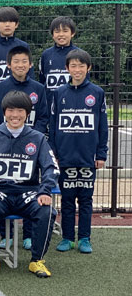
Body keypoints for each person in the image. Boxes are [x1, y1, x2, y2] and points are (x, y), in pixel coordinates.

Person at [0, 90, 58, 278]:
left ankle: (37, 260)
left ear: (27, 113)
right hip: (0, 193)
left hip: (28, 193)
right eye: (11, 110)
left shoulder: (37, 138)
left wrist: (45, 191)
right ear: (4, 112)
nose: (15, 115)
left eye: (20, 110)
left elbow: (51, 168)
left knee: (46, 210)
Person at [49, 48, 108, 254]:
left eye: (81, 66)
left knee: (85, 200)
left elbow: (102, 127)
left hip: (87, 158)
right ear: (67, 68)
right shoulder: (59, 93)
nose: (77, 69)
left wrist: (101, 154)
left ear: (88, 68)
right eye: (73, 66)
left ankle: (84, 238)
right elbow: (53, 126)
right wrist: (54, 153)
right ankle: (67, 238)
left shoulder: (97, 93)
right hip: (65, 158)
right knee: (66, 200)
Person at [0, 46, 48, 133]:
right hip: (4, 137)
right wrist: (1, 136)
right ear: (9, 64)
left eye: (24, 61)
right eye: (16, 61)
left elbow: (43, 117)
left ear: (30, 64)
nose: (20, 65)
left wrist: (33, 136)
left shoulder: (39, 88)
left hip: (31, 138)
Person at [39, 16, 81, 103]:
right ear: (52, 35)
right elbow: (42, 80)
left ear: (72, 33)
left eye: (65, 31)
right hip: (50, 104)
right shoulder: (46, 55)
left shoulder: (80, 54)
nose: (61, 34)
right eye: (57, 31)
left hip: (73, 103)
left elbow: (85, 82)